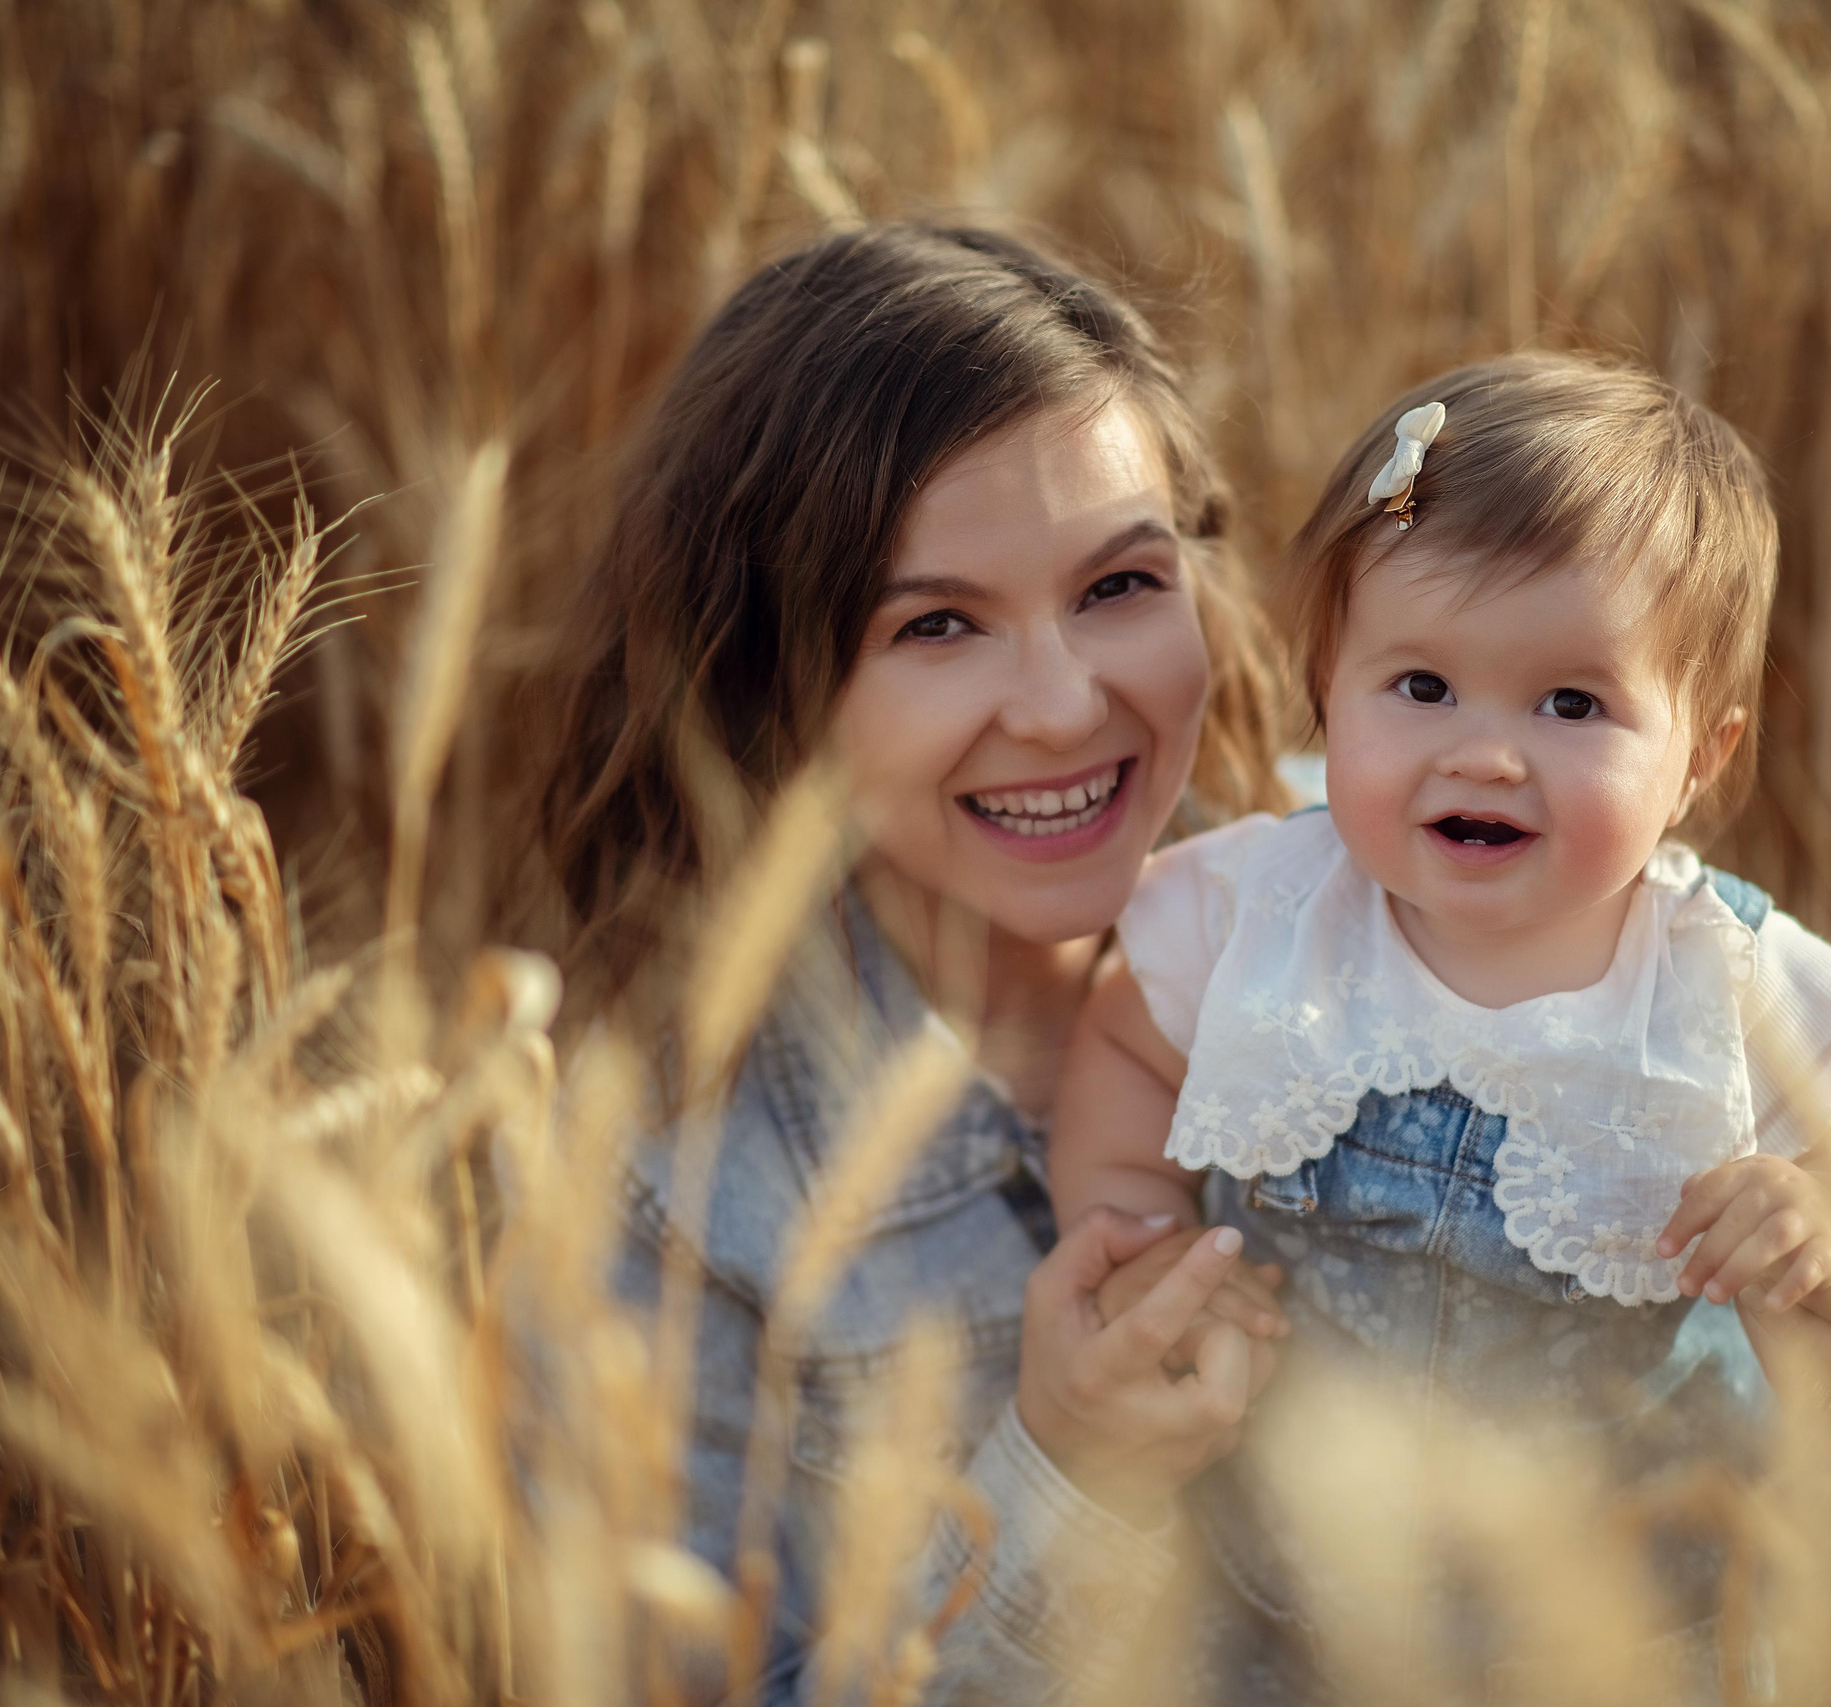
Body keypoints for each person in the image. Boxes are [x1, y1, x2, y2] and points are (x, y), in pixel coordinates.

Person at [1048, 353, 1831, 1689]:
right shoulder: (1256, 917)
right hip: (1285, 1613)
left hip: (1628, 1635)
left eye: (1573, 704)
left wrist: (1815, 1231)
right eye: (1422, 688)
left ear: (1701, 759)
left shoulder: (1723, 988)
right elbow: (1121, 1036)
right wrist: (1134, 1226)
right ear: (1327, 689)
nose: (1485, 752)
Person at [542, 221, 1297, 1704]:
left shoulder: (1404, 908)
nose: (1066, 705)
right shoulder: (668, 1197)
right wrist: (1066, 1488)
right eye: (938, 624)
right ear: (769, 682)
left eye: (1119, 586)